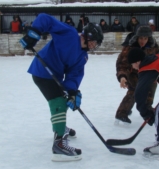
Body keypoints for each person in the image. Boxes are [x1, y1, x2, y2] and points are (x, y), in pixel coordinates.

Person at [19, 13, 103, 162]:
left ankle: (60, 126)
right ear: (88, 36)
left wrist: (72, 91)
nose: (94, 45)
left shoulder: (83, 57)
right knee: (57, 101)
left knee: (63, 99)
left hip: (55, 76)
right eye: (94, 41)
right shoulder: (69, 34)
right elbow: (45, 19)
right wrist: (34, 33)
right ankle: (59, 146)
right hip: (41, 71)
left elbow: (73, 76)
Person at [115, 26, 159, 124]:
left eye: (145, 38)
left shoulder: (153, 47)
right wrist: (122, 77)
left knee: (150, 89)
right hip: (133, 73)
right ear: (136, 38)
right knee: (135, 91)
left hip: (148, 73)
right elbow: (122, 63)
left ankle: (147, 110)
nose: (143, 41)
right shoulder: (129, 48)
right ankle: (122, 113)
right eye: (140, 38)